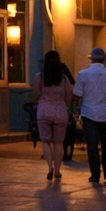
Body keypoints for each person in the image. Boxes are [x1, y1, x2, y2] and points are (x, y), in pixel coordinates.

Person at [74, 47, 106, 182]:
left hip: (89, 113)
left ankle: (95, 174)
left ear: (91, 58)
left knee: (92, 144)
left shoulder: (83, 74)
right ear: (104, 59)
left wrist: (78, 107)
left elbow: (77, 94)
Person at [31, 50, 74, 181]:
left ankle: (49, 168)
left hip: (44, 110)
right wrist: (64, 104)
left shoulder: (40, 76)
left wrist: (37, 100)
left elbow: (36, 94)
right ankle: (57, 171)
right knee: (59, 142)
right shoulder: (64, 78)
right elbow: (69, 95)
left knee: (45, 141)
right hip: (60, 110)